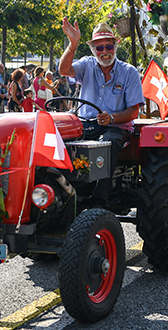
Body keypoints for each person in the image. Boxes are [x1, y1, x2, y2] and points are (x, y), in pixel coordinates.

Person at [59, 20, 144, 204]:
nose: (105, 52)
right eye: (100, 48)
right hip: (85, 123)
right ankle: (63, 193)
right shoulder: (86, 65)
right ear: (93, 50)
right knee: (58, 139)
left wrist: (112, 117)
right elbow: (64, 69)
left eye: (108, 46)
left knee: (106, 144)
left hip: (115, 127)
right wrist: (73, 45)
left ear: (115, 46)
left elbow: (133, 111)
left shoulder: (129, 72)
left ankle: (99, 200)